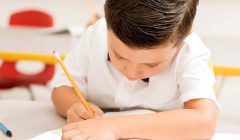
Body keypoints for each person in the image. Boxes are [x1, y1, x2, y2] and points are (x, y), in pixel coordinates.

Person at [51, 0, 219, 139]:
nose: (131, 74)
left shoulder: (190, 51)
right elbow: (61, 90)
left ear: (185, 36)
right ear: (108, 23)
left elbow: (204, 122)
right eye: (119, 56)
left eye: (152, 64)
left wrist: (113, 127)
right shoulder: (97, 33)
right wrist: (74, 106)